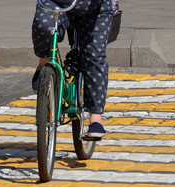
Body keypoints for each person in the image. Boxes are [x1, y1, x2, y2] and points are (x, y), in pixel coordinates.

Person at [31, 0, 115, 138]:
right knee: (43, 27)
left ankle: (95, 117)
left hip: (95, 7)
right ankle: (43, 64)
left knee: (94, 57)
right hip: (56, 2)